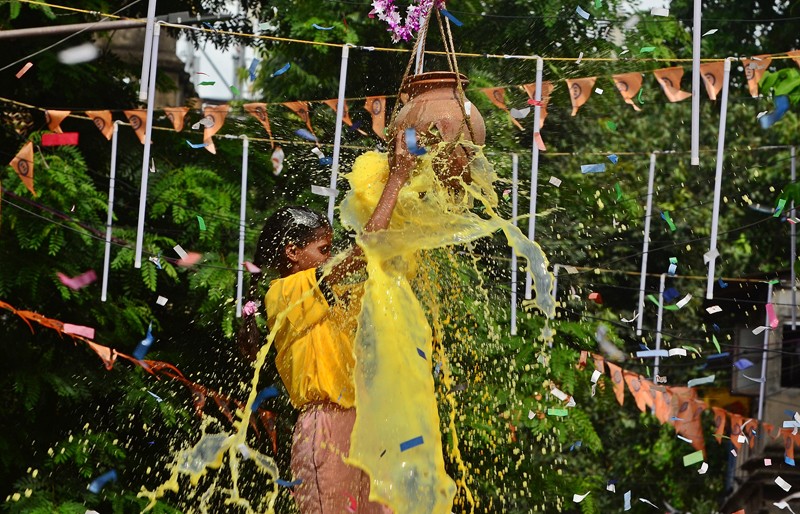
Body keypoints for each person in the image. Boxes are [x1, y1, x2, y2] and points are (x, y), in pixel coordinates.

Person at [238, 138, 414, 513]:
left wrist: (412, 196)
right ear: (292, 251)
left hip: (364, 427)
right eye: (323, 249)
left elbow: (382, 259)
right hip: (324, 429)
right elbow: (365, 249)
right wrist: (397, 178)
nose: (330, 257)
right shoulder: (284, 293)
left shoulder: (331, 297)